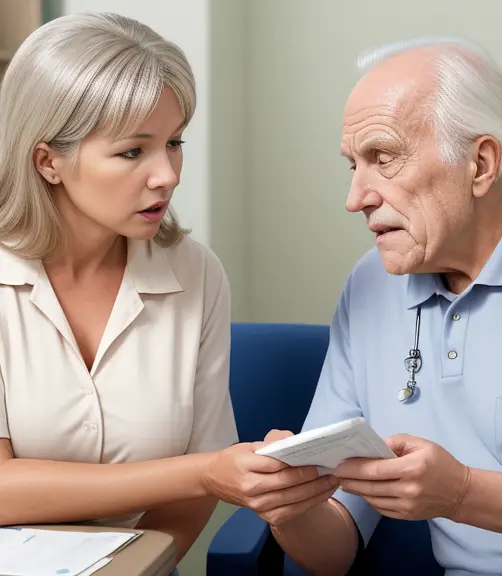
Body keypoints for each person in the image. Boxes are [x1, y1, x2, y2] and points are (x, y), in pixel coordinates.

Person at [235, 37, 502, 575]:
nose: (355, 197)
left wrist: (463, 494)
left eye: (383, 159)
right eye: (353, 165)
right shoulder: (370, 284)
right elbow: (332, 553)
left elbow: (460, 496)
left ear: (480, 163)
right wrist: (291, 508)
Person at [0, 11, 337, 571]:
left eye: (174, 143)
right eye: (133, 151)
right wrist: (201, 471)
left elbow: (193, 497)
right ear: (48, 162)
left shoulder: (196, 275)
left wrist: (137, 566)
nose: (168, 174)